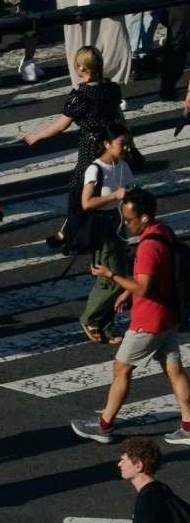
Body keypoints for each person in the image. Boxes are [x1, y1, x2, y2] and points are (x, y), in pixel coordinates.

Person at [74, 189, 190, 444]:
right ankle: (189, 426)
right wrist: (128, 292)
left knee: (121, 368)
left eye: (129, 220)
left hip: (149, 320)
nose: (126, 224)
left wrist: (111, 276)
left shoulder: (147, 247)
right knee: (174, 370)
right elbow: (158, 276)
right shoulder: (164, 231)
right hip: (168, 315)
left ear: (145, 217)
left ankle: (104, 426)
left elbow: (144, 287)